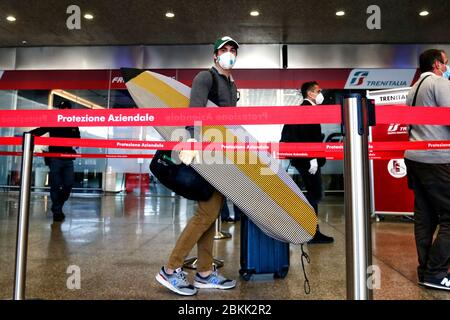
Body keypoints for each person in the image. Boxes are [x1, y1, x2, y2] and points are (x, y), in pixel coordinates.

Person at [155, 36, 239, 296]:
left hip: (222, 154)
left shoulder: (231, 83)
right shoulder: (207, 77)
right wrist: (192, 141)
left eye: (233, 50)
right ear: (215, 55)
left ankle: (204, 272)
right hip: (207, 154)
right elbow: (195, 111)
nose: (229, 54)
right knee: (205, 214)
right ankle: (170, 269)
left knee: (210, 214)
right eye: (224, 50)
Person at [404, 49, 450, 291]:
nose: (447, 66)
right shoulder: (439, 83)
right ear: (436, 64)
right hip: (437, 159)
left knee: (425, 217)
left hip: (414, 158)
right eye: (446, 63)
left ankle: (425, 271)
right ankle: (436, 271)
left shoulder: (413, 89)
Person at [280, 81, 334, 244]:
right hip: (308, 160)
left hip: (306, 158)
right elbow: (306, 136)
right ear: (310, 93)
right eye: (318, 91)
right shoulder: (307, 109)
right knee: (315, 194)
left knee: (313, 194)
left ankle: (310, 230)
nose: (321, 94)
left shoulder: (304, 108)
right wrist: (312, 159)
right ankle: (309, 230)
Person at [29, 100, 80, 222]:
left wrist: (76, 144)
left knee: (68, 184)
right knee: (55, 185)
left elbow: (78, 140)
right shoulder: (53, 122)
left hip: (68, 159)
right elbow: (40, 130)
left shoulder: (73, 125)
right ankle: (57, 211)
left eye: (67, 109)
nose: (64, 111)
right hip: (55, 159)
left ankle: (57, 207)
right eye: (62, 109)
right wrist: (28, 135)